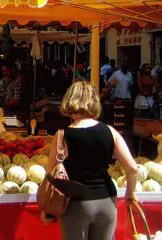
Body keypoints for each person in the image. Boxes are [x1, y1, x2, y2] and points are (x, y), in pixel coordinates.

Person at [46, 81, 138, 240]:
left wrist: (46, 210)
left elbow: (50, 176)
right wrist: (131, 193)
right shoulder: (110, 131)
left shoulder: (62, 136)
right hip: (107, 202)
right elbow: (132, 168)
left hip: (76, 205)